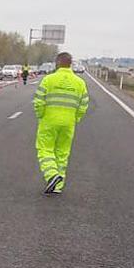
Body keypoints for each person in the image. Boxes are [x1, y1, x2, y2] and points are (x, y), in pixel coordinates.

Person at [33, 52, 89, 195]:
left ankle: (52, 175)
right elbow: (84, 105)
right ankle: (58, 186)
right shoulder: (80, 83)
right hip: (68, 123)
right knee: (62, 153)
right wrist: (76, 118)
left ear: (57, 63)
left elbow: (38, 101)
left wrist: (41, 115)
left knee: (45, 149)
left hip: (49, 121)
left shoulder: (48, 80)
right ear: (70, 64)